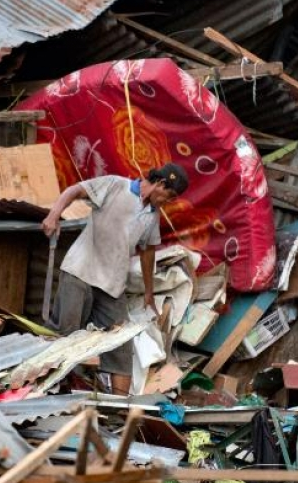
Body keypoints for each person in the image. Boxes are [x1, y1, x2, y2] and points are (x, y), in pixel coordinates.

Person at [41, 163, 189, 393]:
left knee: (121, 345)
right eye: (168, 196)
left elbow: (148, 250)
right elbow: (75, 191)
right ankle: (50, 392)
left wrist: (149, 292)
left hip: (112, 284)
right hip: (81, 270)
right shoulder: (114, 185)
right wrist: (53, 215)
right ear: (160, 184)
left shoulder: (152, 215)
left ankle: (121, 409)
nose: (167, 202)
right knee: (65, 337)